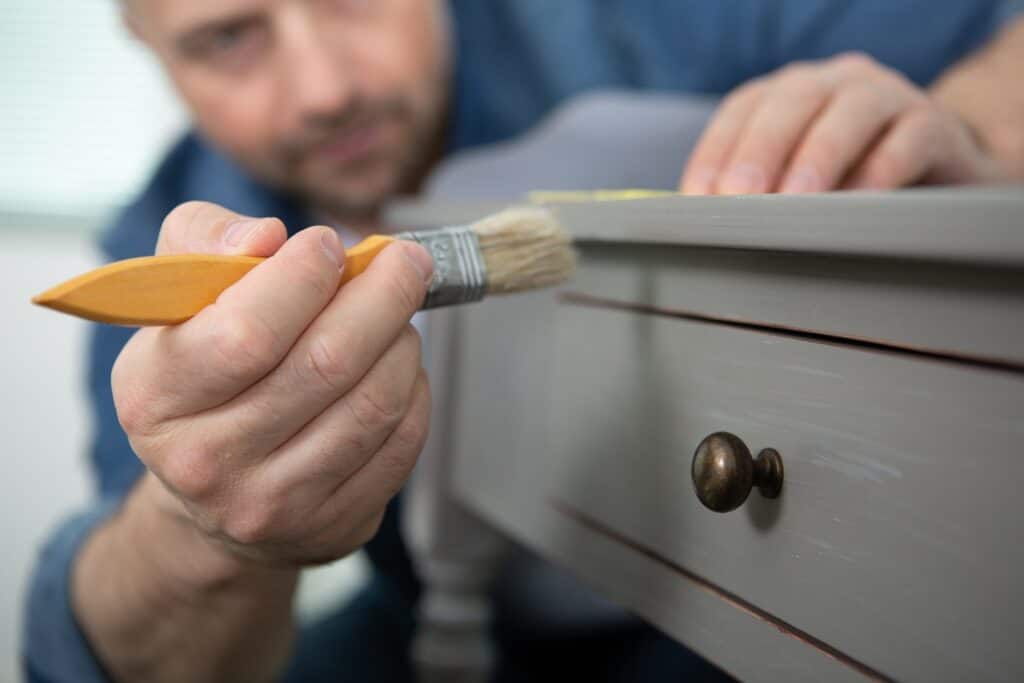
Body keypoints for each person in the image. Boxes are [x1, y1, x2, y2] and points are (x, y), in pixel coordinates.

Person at [24, 1, 1024, 682]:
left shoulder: (641, 20)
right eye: (228, 37)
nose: (322, 86)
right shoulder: (159, 232)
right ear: (146, 42)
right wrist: (203, 528)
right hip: (450, 617)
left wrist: (965, 126)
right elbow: (97, 645)